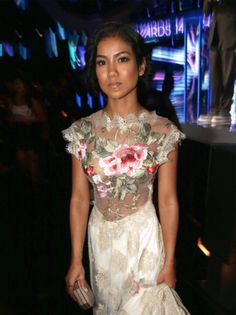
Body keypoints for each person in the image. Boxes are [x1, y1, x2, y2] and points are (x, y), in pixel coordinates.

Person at [63, 22, 190, 314]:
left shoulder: (162, 131)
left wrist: (169, 261)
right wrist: (75, 259)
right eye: (101, 62)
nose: (112, 72)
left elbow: (168, 199)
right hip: (101, 240)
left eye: (122, 59)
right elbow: (80, 199)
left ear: (141, 65)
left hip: (145, 239)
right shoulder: (81, 132)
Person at [198, 0, 236, 126]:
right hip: (215, 36)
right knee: (215, 77)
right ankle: (214, 109)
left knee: (227, 76)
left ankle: (225, 110)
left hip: (231, 35)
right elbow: (206, 11)